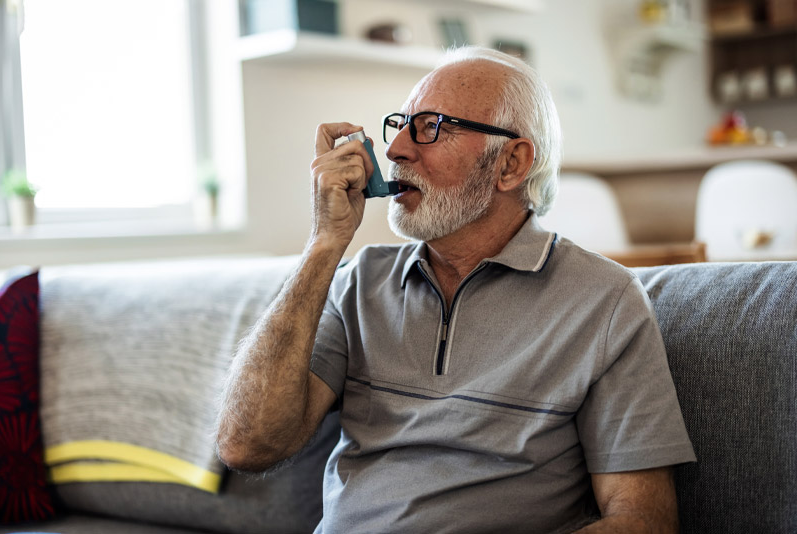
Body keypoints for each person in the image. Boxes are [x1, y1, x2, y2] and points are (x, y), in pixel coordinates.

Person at [215, 46, 696, 533]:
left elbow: (643, 521)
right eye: (401, 125)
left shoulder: (605, 301)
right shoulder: (360, 281)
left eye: (431, 126)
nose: (396, 149)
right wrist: (324, 244)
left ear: (510, 163)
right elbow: (246, 445)